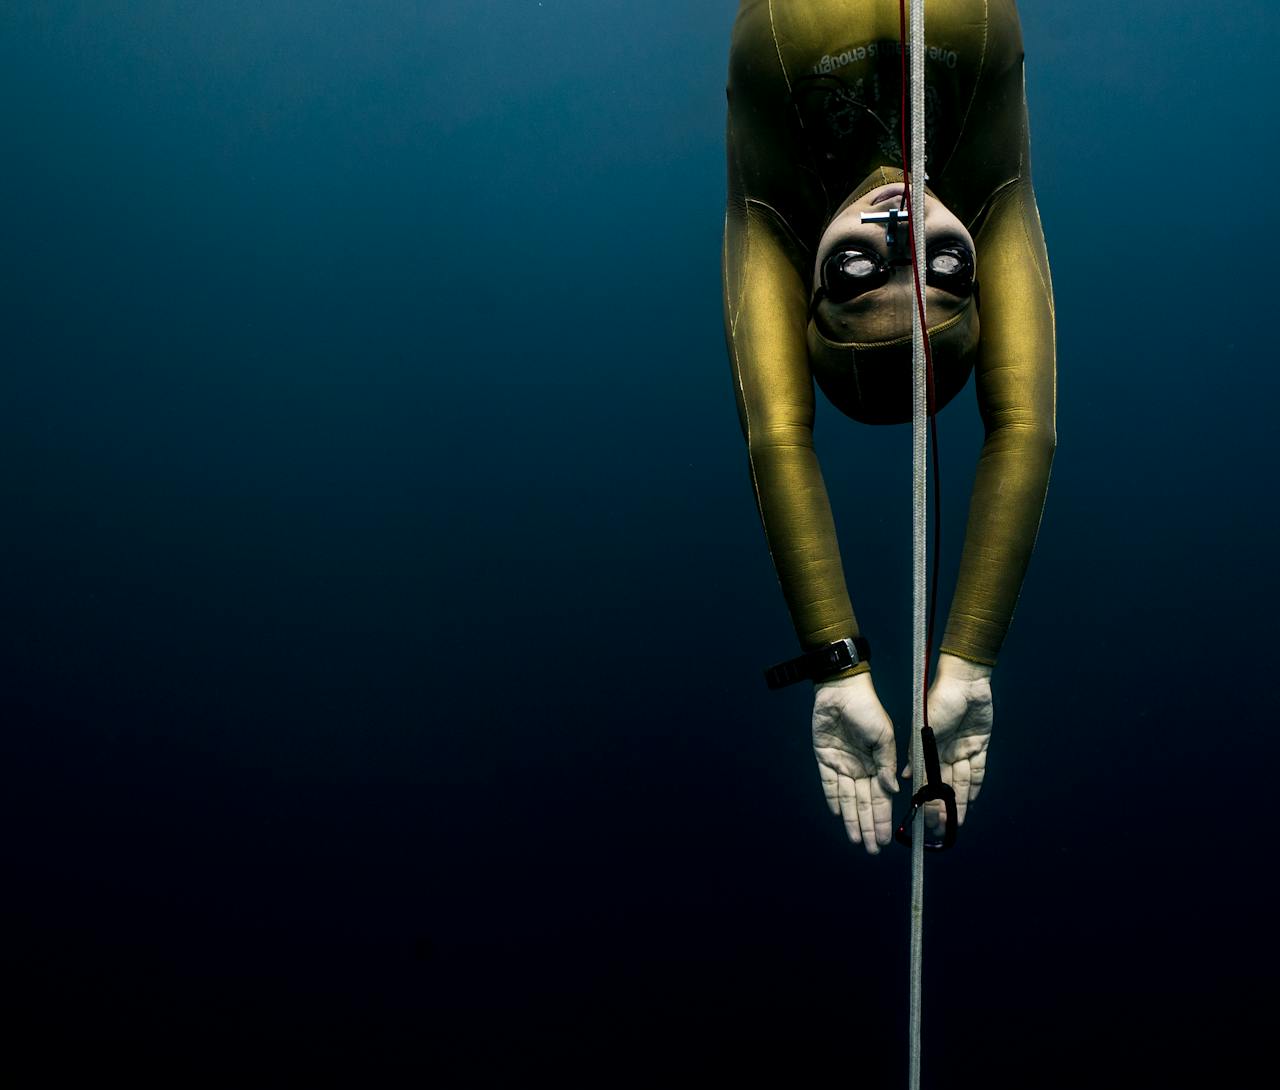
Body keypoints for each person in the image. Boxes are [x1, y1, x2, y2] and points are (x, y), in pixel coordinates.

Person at [723, 0, 1056, 854]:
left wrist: (838, 668)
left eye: (859, 269)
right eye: (945, 267)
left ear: (811, 291)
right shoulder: (989, 193)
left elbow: (775, 438)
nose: (902, 231)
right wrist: (968, 663)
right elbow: (1026, 425)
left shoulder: (772, 217)